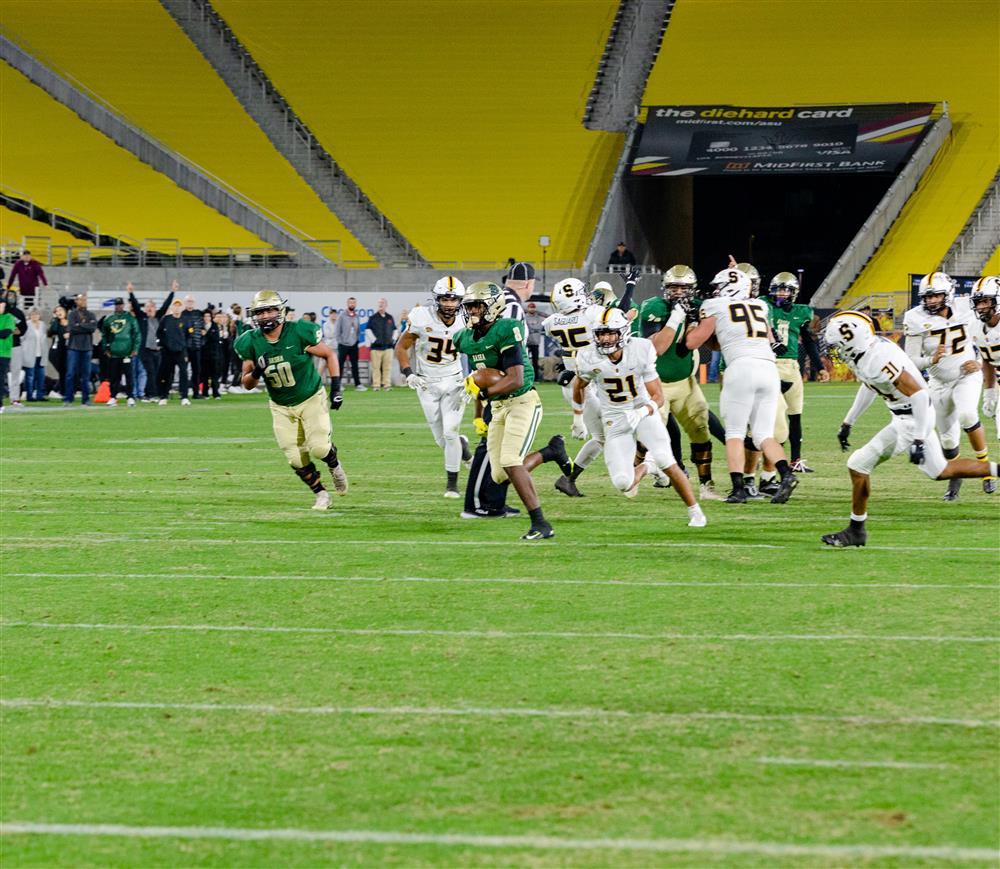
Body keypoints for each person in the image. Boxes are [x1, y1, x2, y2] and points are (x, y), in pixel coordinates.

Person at [822, 310, 998, 547]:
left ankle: (856, 530)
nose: (834, 351)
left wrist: (917, 439)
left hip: (912, 418)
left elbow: (920, 396)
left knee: (858, 464)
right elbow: (869, 385)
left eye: (838, 344)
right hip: (909, 415)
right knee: (940, 471)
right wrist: (848, 422)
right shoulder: (864, 353)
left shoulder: (877, 359)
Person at [456, 281, 571, 540]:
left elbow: (515, 379)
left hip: (522, 401)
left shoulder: (507, 329)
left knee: (510, 460)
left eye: (477, 305)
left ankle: (541, 523)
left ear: (493, 306)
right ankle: (550, 452)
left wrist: (482, 392)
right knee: (498, 474)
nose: (472, 311)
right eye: (470, 306)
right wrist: (477, 409)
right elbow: (481, 377)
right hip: (498, 407)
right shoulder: (465, 338)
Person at [573, 308, 707, 525]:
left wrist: (643, 411)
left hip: (642, 410)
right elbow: (578, 385)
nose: (605, 339)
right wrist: (578, 415)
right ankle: (647, 467)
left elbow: (658, 396)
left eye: (610, 333)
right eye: (601, 334)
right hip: (614, 418)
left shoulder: (641, 349)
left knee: (666, 459)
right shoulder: (588, 357)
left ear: (623, 332)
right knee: (623, 483)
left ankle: (695, 511)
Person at [685, 268, 798, 504]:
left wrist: (692, 324)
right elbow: (740, 338)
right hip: (768, 368)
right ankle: (786, 474)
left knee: (735, 433)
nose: (715, 290)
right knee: (764, 434)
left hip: (741, 368)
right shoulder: (759, 306)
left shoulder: (715, 305)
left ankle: (738, 489)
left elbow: (692, 342)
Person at [235, 289, 347, 509]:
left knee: (319, 448)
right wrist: (257, 371)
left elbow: (329, 354)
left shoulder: (299, 332)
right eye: (261, 311)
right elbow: (246, 383)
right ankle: (321, 494)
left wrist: (336, 388)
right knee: (295, 458)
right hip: (280, 405)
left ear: (281, 311)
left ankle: (334, 464)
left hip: (310, 397)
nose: (266, 316)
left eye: (270, 310)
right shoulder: (249, 341)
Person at [903, 271, 988, 501]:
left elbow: (987, 334)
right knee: (948, 441)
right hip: (938, 382)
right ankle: (955, 478)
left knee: (968, 414)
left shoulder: (966, 307)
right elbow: (910, 359)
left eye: (936, 296)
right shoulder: (914, 317)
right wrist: (931, 360)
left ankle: (985, 468)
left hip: (966, 375)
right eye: (928, 297)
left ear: (948, 294)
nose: (931, 301)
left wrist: (980, 362)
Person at [639, 266, 721, 500]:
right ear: (665, 288)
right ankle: (629, 476)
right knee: (647, 437)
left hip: (686, 384)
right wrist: (676, 317)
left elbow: (706, 343)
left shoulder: (699, 307)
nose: (678, 292)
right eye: (673, 287)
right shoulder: (654, 306)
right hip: (656, 384)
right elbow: (657, 348)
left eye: (683, 287)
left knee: (701, 431)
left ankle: (706, 485)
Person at [395, 276, 472, 497]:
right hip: (426, 382)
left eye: (454, 300)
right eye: (445, 299)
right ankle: (464, 451)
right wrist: (408, 373)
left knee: (450, 433)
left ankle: (452, 485)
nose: (449, 304)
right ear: (436, 299)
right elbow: (401, 347)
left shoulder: (468, 319)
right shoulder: (421, 316)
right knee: (442, 440)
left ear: (461, 300)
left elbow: (478, 348)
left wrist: (475, 378)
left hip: (454, 380)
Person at [741, 271, 815, 494]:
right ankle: (746, 480)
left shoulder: (802, 312)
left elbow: (808, 340)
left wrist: (819, 366)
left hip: (790, 366)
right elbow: (745, 301)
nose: (781, 293)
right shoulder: (761, 304)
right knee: (756, 427)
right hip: (765, 364)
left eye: (786, 290)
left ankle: (768, 477)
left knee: (783, 426)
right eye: (778, 289)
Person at [129, 280, 176, 400]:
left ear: (155, 308)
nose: (150, 309)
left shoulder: (159, 317)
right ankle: (151, 394)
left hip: (158, 350)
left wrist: (172, 292)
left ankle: (158, 393)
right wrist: (131, 293)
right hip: (146, 350)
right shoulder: (142, 317)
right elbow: (134, 305)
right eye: (147, 307)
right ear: (144, 309)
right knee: (150, 372)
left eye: (152, 307)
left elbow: (166, 305)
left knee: (158, 373)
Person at [970, 276, 1000, 446]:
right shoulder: (976, 327)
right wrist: (989, 392)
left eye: (985, 301)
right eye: (978, 302)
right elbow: (987, 359)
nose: (981, 307)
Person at [100, 297, 140, 407]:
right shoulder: (109, 319)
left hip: (127, 352)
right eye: (117, 304)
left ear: (123, 305)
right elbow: (104, 335)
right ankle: (113, 397)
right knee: (114, 377)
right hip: (114, 353)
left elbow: (137, 334)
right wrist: (106, 349)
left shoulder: (130, 318)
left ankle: (130, 397)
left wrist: (135, 349)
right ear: (114, 305)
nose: (119, 306)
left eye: (120, 304)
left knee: (129, 376)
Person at [64, 294, 97, 406]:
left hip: (87, 347)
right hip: (74, 347)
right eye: (81, 299)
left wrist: (80, 326)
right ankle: (68, 398)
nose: (83, 301)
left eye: (85, 299)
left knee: (86, 375)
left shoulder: (91, 314)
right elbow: (72, 328)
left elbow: (92, 328)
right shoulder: (72, 314)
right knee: (70, 374)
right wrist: (85, 326)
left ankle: (86, 399)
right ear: (76, 301)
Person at [157, 299, 190, 405]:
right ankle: (163, 396)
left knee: (183, 373)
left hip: (181, 351)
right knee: (167, 374)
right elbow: (159, 334)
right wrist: (163, 346)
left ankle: (184, 396)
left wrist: (185, 348)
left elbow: (189, 336)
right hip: (167, 352)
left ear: (182, 307)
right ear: (172, 308)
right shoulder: (165, 319)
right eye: (175, 306)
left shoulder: (185, 320)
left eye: (179, 306)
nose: (177, 308)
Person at [334, 297, 364, 390]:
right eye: (350, 303)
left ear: (356, 304)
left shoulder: (356, 316)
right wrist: (340, 341)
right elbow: (337, 330)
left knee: (355, 365)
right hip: (343, 344)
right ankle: (338, 384)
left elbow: (358, 330)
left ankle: (358, 384)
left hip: (354, 345)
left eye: (354, 303)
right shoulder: (342, 315)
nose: (352, 304)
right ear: (347, 304)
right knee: (340, 365)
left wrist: (356, 339)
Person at [366, 297, 396, 391]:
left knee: (387, 368)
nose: (380, 304)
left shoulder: (389, 317)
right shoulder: (373, 318)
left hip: (388, 347)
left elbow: (394, 329)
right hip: (376, 348)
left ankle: (387, 385)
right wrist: (374, 340)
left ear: (386, 305)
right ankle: (376, 385)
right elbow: (368, 330)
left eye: (382, 303)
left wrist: (393, 339)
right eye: (379, 303)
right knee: (376, 368)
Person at [4, 291, 27, 405]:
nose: (11, 298)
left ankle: (14, 398)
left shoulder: (19, 313)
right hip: (2, 345)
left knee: (16, 372)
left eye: (13, 296)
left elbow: (23, 328)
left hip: (15, 345)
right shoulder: (2, 312)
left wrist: (19, 332)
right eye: (9, 296)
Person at [180, 295, 205, 398]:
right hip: (185, 348)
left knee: (197, 371)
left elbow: (202, 329)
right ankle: (183, 393)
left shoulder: (198, 314)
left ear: (194, 303)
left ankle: (196, 393)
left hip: (196, 347)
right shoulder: (181, 314)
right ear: (185, 303)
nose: (190, 303)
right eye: (188, 301)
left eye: (191, 301)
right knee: (183, 371)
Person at [21, 308, 48, 401]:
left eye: (36, 314)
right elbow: (21, 338)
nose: (34, 316)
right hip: (29, 354)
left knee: (41, 376)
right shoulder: (26, 325)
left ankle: (40, 395)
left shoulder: (43, 325)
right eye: (32, 314)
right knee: (30, 377)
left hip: (41, 354)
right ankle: (29, 396)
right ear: (29, 315)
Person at [47, 305, 69, 397]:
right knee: (63, 371)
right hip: (56, 351)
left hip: (67, 350)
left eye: (61, 310)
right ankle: (59, 390)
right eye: (56, 311)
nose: (59, 312)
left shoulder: (70, 322)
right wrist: (56, 319)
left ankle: (62, 390)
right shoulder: (55, 323)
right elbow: (51, 332)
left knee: (67, 371)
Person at [524, 302, 544, 380]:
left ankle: (536, 378)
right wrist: (533, 329)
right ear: (528, 308)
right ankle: (525, 378)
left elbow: (539, 327)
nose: (532, 309)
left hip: (535, 342)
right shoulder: (525, 317)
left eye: (533, 307)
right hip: (526, 342)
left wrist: (530, 328)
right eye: (530, 307)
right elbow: (524, 327)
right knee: (524, 361)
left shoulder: (538, 317)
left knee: (535, 361)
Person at [0, 299, 14, 412]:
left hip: (4, 353)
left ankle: (0, 404)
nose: (1, 308)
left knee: (0, 379)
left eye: (3, 306)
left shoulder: (9, 317)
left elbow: (5, 333)